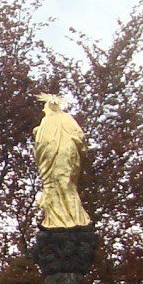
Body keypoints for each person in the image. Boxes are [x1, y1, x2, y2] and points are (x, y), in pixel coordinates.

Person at [32, 94, 91, 229]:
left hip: (64, 156)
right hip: (52, 161)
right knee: (54, 186)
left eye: (45, 108)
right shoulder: (46, 122)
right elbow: (41, 143)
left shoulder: (64, 118)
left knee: (65, 184)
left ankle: (76, 219)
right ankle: (58, 218)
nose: (43, 111)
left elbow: (79, 136)